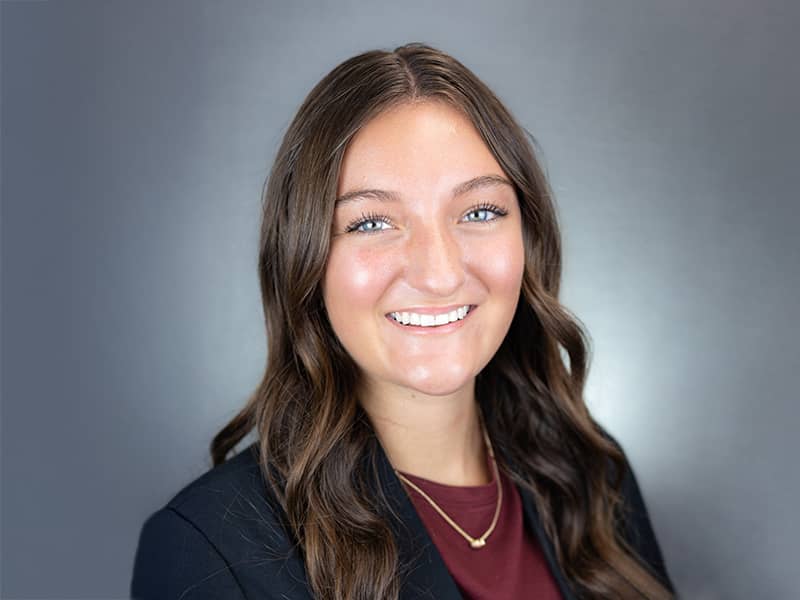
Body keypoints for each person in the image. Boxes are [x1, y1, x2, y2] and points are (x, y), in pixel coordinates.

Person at [130, 42, 676, 600]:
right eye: (371, 223)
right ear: (303, 258)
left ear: (529, 238)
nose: (439, 274)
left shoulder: (588, 472)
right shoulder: (210, 549)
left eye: (479, 212)